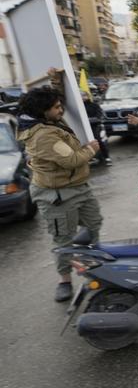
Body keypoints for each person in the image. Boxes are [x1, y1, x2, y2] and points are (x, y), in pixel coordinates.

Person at [17, 69, 102, 302]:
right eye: (56, 107)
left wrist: (55, 81)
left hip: (78, 187)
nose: (61, 109)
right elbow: (72, 160)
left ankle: (92, 267)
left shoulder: (49, 119)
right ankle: (64, 280)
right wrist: (92, 149)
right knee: (63, 238)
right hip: (56, 195)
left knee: (93, 224)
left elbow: (60, 101)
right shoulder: (43, 135)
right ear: (43, 112)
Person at [81, 91, 111, 165]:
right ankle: (91, 157)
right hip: (84, 127)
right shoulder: (80, 107)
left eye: (84, 95)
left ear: (88, 96)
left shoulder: (94, 105)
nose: (83, 97)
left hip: (95, 126)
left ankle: (107, 157)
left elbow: (99, 116)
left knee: (98, 140)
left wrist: (89, 120)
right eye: (81, 96)